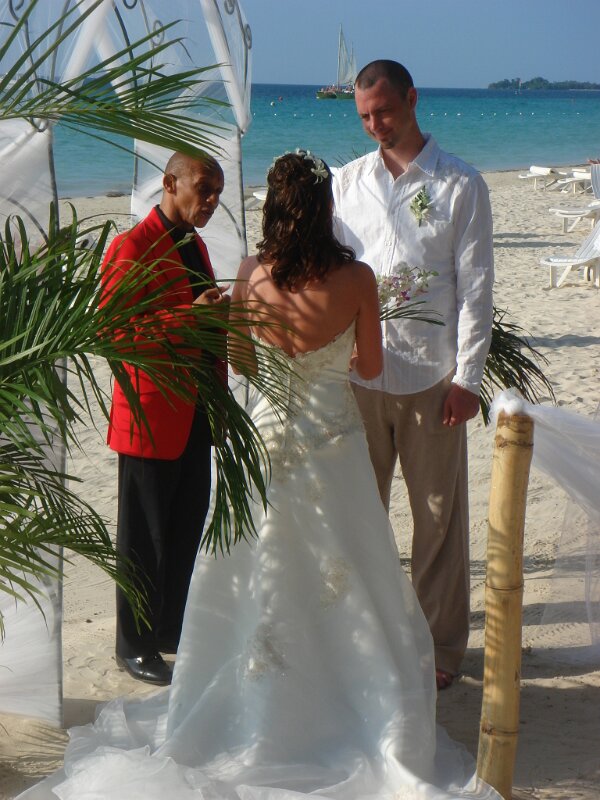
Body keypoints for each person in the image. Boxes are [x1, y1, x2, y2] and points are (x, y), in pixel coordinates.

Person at [15, 150, 501, 800]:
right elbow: (367, 362)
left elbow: (240, 362)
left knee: (257, 561)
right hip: (332, 441)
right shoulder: (356, 279)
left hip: (268, 440)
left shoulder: (251, 273)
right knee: (347, 565)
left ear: (272, 210)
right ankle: (349, 687)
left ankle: (251, 692)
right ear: (326, 208)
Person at [333, 60, 494, 690]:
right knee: (359, 513)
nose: (376, 125)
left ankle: (442, 647)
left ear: (411, 100)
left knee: (437, 519)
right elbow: (327, 272)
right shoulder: (345, 183)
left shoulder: (461, 184)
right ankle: (362, 636)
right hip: (359, 378)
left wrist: (469, 379)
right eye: (365, 117)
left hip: (433, 377)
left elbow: (476, 289)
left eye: (385, 112)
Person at [101, 151, 229, 685]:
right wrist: (190, 315)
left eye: (218, 191)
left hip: (195, 411)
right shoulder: (133, 247)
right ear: (169, 183)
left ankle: (170, 629)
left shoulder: (193, 244)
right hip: (151, 417)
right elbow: (112, 335)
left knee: (183, 529)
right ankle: (133, 645)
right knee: (143, 538)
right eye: (205, 188)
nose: (213, 201)